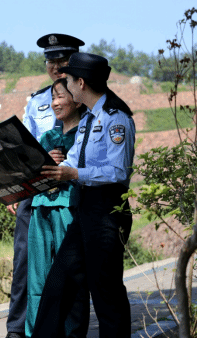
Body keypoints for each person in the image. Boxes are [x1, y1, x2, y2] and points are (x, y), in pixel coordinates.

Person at [33, 53, 136, 338]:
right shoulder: (89, 119)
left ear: (80, 83)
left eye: (66, 81)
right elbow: (74, 159)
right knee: (58, 282)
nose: (62, 84)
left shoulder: (116, 119)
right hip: (85, 209)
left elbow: (117, 171)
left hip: (108, 211)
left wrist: (74, 175)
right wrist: (53, 169)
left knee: (105, 291)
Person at [6, 33, 86, 338]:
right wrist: (18, 185)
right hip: (36, 192)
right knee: (26, 265)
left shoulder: (87, 97)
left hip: (71, 194)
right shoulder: (38, 100)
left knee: (70, 267)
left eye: (62, 60)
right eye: (51, 60)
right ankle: (18, 330)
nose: (56, 66)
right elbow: (25, 144)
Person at [25, 78, 88, 338]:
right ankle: (36, 333)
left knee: (71, 278)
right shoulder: (47, 137)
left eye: (61, 96)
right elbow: (28, 176)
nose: (55, 103)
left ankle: (71, 334)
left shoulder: (87, 133)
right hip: (41, 207)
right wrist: (42, 163)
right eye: (53, 97)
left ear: (77, 98)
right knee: (37, 279)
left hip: (69, 209)